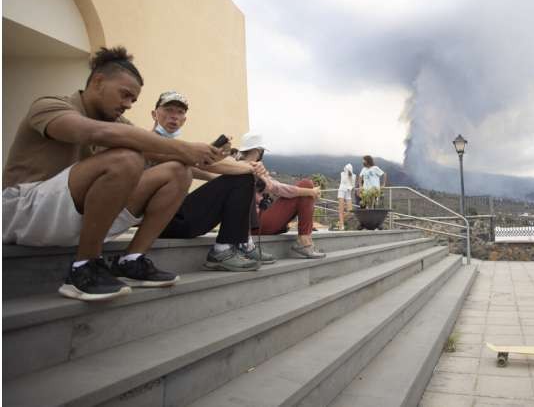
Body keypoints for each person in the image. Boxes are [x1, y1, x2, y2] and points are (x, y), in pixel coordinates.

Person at [2, 47, 223, 301]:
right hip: (21, 214)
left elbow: (170, 156)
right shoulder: (49, 105)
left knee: (178, 171)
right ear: (98, 82)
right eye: (125, 95)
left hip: (73, 214)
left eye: (133, 100)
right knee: (128, 157)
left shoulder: (118, 125)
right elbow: (95, 133)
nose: (128, 105)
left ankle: (131, 260)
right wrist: (184, 148)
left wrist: (243, 170)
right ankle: (83, 267)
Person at [150, 92, 273, 271]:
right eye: (168, 110)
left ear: (184, 119)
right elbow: (211, 167)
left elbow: (212, 173)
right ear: (154, 114)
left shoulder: (181, 151)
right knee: (243, 177)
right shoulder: (149, 143)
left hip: (179, 218)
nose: (174, 116)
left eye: (179, 112)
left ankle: (241, 243)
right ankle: (224, 249)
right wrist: (249, 169)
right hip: (162, 222)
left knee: (241, 180)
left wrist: (243, 171)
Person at [243, 134, 326, 259]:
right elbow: (277, 188)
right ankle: (304, 241)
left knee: (304, 188)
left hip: (254, 223)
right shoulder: (250, 167)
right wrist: (310, 192)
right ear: (258, 150)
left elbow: (276, 187)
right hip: (256, 224)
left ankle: (305, 240)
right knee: (306, 184)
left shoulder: (242, 165)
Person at [337, 163, 356, 230]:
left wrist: (350, 187)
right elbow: (343, 182)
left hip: (348, 192)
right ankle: (341, 225)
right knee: (341, 209)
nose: (346, 169)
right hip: (341, 191)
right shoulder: (342, 174)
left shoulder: (353, 176)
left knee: (350, 211)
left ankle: (340, 221)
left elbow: (353, 185)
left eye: (348, 169)